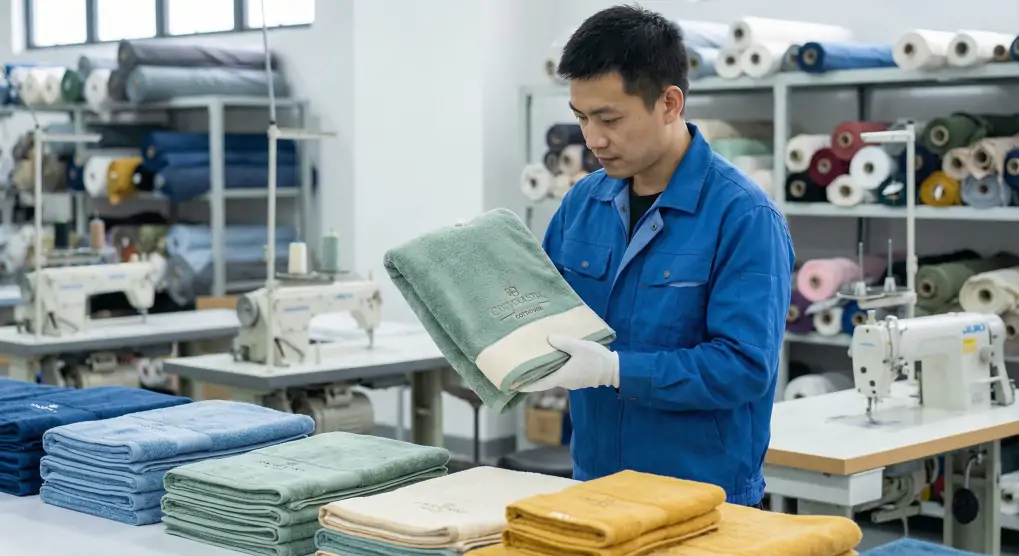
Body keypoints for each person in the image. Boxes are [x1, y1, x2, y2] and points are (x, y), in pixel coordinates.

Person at [521, 5, 795, 508]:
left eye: (610, 119)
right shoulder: (583, 204)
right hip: (596, 487)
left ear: (670, 103)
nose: (593, 140)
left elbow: (743, 366)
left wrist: (617, 371)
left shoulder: (744, 216)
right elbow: (540, 315)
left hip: (703, 499)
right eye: (581, 118)